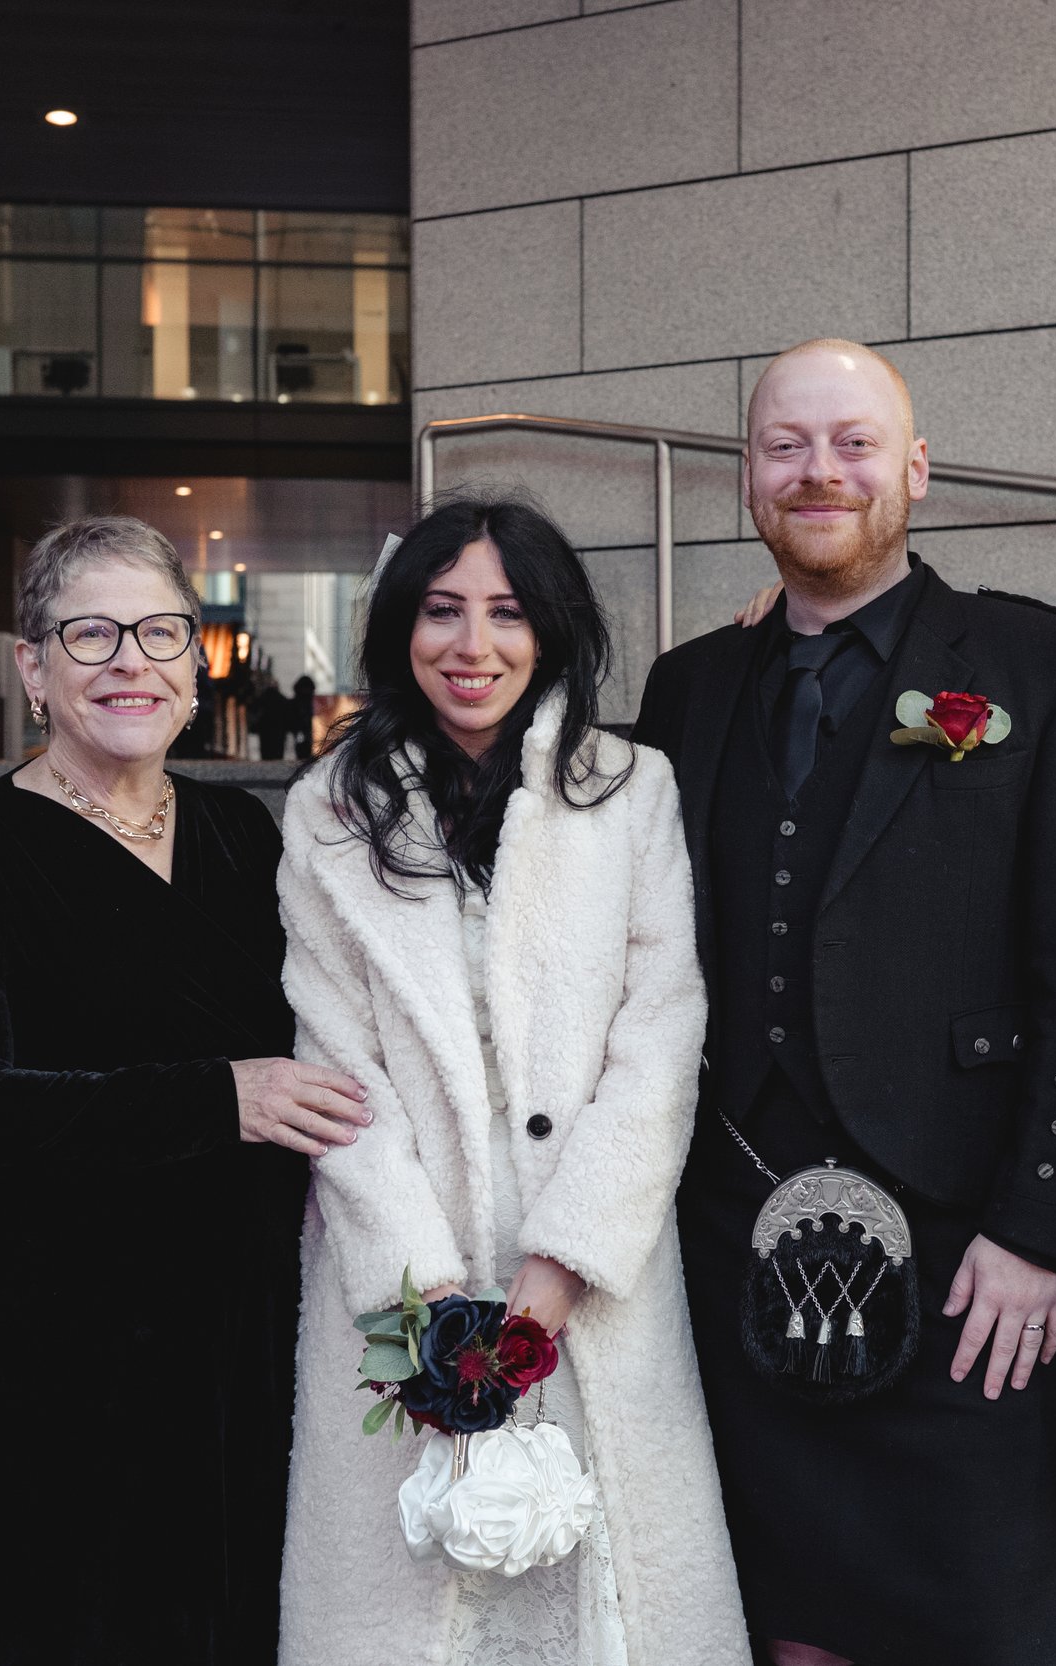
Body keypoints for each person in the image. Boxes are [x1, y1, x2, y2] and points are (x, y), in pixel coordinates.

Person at [633, 340, 1056, 1665]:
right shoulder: (689, 687)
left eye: (854, 443)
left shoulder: (1043, 664)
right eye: (786, 445)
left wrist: (1038, 1230)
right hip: (733, 1237)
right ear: (748, 477)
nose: (820, 472)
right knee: (784, 1619)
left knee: (982, 1616)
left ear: (915, 470)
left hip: (969, 1252)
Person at [0, 516, 372, 1664]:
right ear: (33, 667)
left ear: (196, 663)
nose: (131, 660)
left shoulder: (240, 831)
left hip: (218, 1330)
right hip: (30, 1342)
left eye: (160, 631)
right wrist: (212, 1099)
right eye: (91, 634)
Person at [273, 496, 746, 1665]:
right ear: (401, 627)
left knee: (609, 1596)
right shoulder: (328, 809)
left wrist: (558, 1268)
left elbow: (661, 1034)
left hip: (591, 1272)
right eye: (442, 611)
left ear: (551, 628)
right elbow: (336, 1071)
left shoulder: (629, 788)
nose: (472, 645)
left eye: (507, 612)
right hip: (401, 1291)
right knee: (410, 1602)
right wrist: (432, 1316)